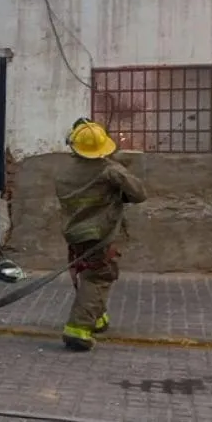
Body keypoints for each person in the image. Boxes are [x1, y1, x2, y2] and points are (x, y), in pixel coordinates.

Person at [55, 119, 147, 352]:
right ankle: (78, 328)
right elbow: (138, 194)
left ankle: (97, 317)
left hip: (75, 232)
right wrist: (119, 175)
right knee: (98, 277)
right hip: (100, 235)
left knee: (87, 274)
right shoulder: (109, 170)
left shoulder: (63, 173)